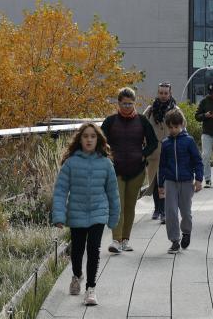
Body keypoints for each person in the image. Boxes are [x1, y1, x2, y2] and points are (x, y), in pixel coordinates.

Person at [52, 122, 121, 307]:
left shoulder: (106, 163)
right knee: (77, 251)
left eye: (93, 136)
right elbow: (60, 191)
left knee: (93, 250)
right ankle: (77, 275)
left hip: (99, 212)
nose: (89, 139)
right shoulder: (71, 163)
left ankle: (91, 289)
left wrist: (114, 217)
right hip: (76, 212)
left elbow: (113, 193)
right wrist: (59, 216)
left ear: (98, 139)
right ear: (80, 139)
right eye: (85, 136)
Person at [100, 87, 159, 254]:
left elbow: (153, 142)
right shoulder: (110, 121)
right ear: (118, 103)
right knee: (117, 205)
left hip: (137, 170)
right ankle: (115, 240)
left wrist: (143, 155)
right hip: (115, 169)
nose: (127, 107)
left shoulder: (142, 121)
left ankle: (126, 240)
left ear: (134, 103)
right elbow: (100, 141)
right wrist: (107, 157)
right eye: (124, 104)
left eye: (130, 104)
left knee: (130, 206)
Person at [158, 108, 203, 254]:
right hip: (170, 181)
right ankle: (174, 240)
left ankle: (186, 232)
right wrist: (160, 184)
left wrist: (199, 179)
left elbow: (197, 161)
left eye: (176, 127)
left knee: (185, 211)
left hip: (186, 181)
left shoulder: (189, 141)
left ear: (182, 124)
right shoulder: (165, 143)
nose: (173, 130)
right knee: (170, 212)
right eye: (170, 127)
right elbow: (162, 165)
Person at [143, 82, 177, 222]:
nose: (163, 96)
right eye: (161, 93)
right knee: (155, 182)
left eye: (166, 93)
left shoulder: (175, 109)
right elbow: (141, 126)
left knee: (166, 181)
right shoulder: (150, 110)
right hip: (154, 151)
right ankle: (157, 208)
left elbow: (183, 126)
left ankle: (164, 210)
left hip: (169, 150)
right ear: (158, 93)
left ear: (170, 93)